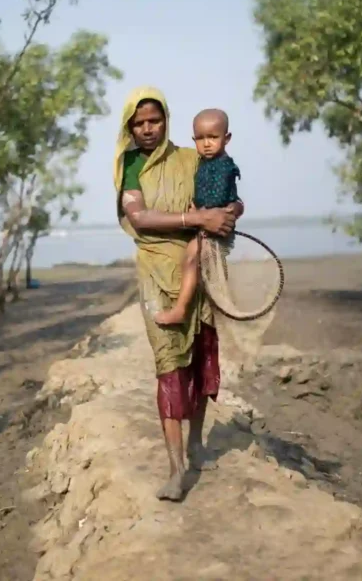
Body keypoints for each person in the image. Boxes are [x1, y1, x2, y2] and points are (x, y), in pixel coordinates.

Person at [115, 86, 243, 501]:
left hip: (200, 265)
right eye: (140, 123)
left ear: (167, 121)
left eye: (155, 121)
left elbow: (232, 199)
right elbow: (140, 214)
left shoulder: (191, 159)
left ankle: (196, 443)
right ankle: (175, 471)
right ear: (130, 127)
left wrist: (227, 215)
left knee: (202, 356)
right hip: (156, 270)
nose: (148, 129)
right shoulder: (131, 165)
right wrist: (195, 216)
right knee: (169, 365)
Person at [154, 108, 240, 326]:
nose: (207, 144)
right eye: (200, 139)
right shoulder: (204, 162)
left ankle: (180, 310)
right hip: (206, 226)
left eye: (213, 137)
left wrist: (199, 215)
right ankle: (216, 309)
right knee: (206, 271)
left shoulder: (223, 166)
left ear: (226, 138)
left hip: (214, 227)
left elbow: (219, 198)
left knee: (192, 259)